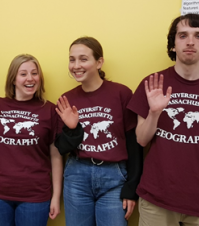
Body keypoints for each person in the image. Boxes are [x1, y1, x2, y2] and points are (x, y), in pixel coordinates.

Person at [127, 13, 199, 225]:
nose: (190, 41)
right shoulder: (152, 83)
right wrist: (154, 112)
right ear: (173, 45)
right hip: (157, 198)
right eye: (183, 35)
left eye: (198, 35)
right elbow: (141, 140)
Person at [0, 54, 70, 226]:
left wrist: (56, 197)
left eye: (34, 73)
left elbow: (56, 156)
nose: (30, 78)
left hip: (34, 196)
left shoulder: (50, 110)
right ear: (13, 79)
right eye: (23, 74)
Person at [58, 36, 143, 226]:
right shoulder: (67, 99)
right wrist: (72, 129)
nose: (76, 65)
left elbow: (133, 142)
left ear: (99, 62)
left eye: (83, 59)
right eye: (72, 59)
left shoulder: (121, 93)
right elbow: (62, 148)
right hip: (76, 176)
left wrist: (132, 187)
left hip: (114, 177)